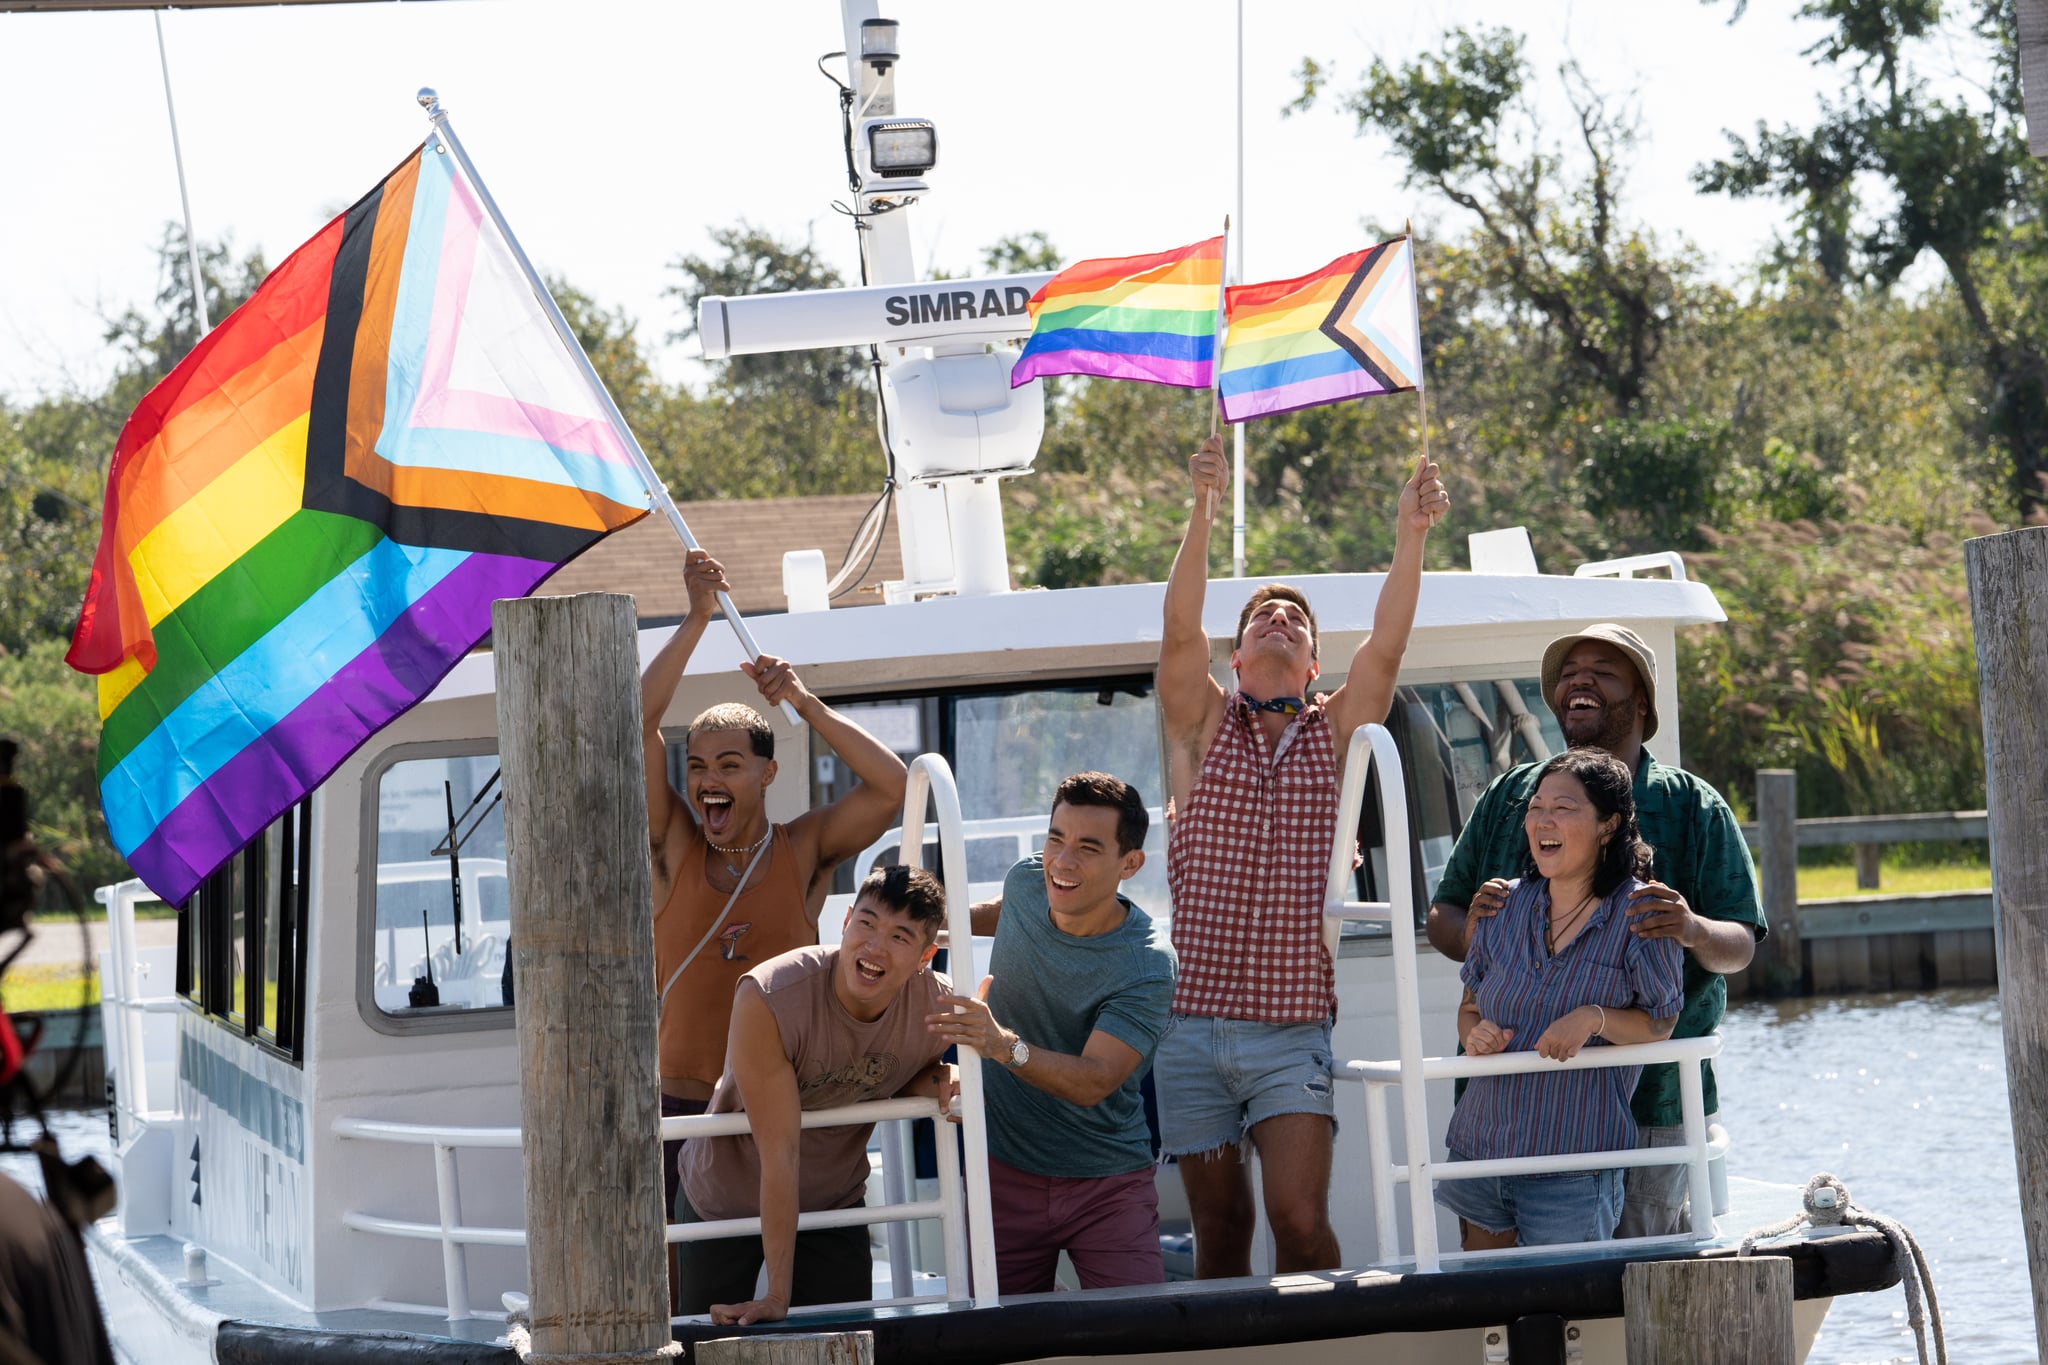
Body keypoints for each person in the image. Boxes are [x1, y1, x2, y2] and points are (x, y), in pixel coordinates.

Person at [1153, 435, 1449, 1278]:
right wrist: (1202, 506)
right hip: (1192, 1029)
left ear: (1313, 663)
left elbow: (1387, 647)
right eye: (1260, 620)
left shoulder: (1338, 730)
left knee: (1298, 1218)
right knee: (1220, 1229)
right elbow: (1179, 630)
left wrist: (1410, 531)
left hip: (1290, 1032)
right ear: (1237, 657)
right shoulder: (1202, 728)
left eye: (1295, 623)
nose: (1278, 622)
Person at [1426, 624, 1764, 1238]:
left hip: (1653, 1102)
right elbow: (1443, 917)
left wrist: (1689, 929)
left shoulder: (1693, 805)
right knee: (1496, 1296)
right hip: (1508, 1096)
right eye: (1569, 670)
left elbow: (1741, 941)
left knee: (1634, 1288)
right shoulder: (1510, 795)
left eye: (1603, 670)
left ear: (1641, 702)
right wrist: (1487, 936)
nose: (1578, 679)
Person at [643, 548, 910, 1219]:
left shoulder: (805, 849)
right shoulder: (676, 843)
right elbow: (631, 725)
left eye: (730, 764)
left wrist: (800, 699)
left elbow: (892, 787)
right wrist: (697, 617)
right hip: (681, 1108)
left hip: (783, 1105)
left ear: (766, 773)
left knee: (794, 1289)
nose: (709, 779)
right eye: (698, 764)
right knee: (688, 1302)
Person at [674, 864, 957, 1326]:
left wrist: (944, 1075)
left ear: (926, 956)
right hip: (724, 1198)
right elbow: (780, 1153)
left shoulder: (938, 1010)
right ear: (845, 922)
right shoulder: (769, 996)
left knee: (846, 1340)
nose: (875, 945)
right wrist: (777, 1296)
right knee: (707, 1347)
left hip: (833, 1199)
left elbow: (890, 1064)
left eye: (900, 937)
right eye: (866, 923)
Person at [927, 772, 1176, 1293]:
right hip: (1002, 1173)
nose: (1062, 862)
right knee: (1000, 1342)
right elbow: (1003, 914)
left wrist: (1002, 1046)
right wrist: (911, 922)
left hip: (1108, 1186)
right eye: (1055, 839)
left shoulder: (1148, 963)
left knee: (1142, 1337)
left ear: (1130, 864)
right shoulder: (1027, 882)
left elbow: (1094, 1081)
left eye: (1087, 847)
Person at [1437, 748, 1686, 1248]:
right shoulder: (1500, 904)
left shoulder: (1642, 914)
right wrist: (1474, 1035)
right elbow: (1469, 1006)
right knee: (1488, 1317)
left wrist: (1593, 1018)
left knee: (1568, 1316)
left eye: (1564, 808)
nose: (1542, 820)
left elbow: (1662, 1022)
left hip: (1575, 1164)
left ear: (1608, 825)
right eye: (1535, 807)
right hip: (1482, 1150)